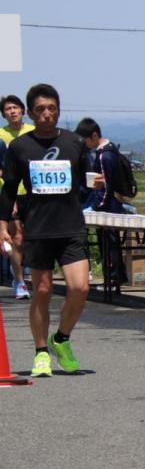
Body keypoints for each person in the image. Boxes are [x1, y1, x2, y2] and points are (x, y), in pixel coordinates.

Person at [0, 84, 99, 377]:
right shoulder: (20, 147)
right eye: (41, 109)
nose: (47, 114)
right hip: (38, 228)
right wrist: (3, 223)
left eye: (52, 108)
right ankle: (41, 352)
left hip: (70, 227)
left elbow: (83, 182)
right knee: (41, 291)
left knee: (80, 288)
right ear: (31, 113)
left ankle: (62, 338)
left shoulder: (74, 143)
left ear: (59, 110)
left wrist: (93, 190)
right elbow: (8, 190)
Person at [76, 118, 128, 286]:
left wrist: (95, 206)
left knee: (109, 243)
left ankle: (113, 277)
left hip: (108, 207)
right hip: (109, 204)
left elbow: (106, 186)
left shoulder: (104, 156)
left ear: (94, 135)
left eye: (85, 140)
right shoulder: (108, 151)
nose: (84, 144)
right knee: (109, 242)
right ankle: (116, 276)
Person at [2, 94, 33, 298]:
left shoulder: (34, 132)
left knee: (34, 239)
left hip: (35, 193)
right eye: (8, 109)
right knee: (17, 238)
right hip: (11, 193)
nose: (12, 111)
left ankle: (30, 274)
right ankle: (20, 282)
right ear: (4, 115)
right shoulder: (1, 136)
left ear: (23, 110)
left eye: (15, 107)